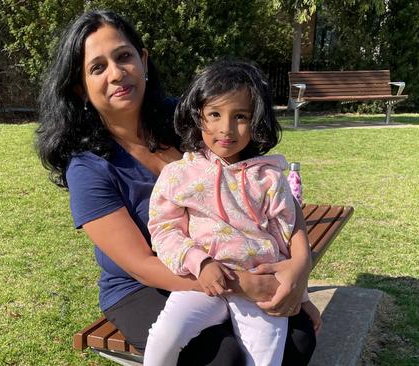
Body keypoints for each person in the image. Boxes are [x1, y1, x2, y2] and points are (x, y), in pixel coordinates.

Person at [36, 10, 317, 365]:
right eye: (97, 67)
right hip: (142, 286)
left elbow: (267, 185)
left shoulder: (192, 119)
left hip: (227, 260)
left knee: (300, 337)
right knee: (222, 357)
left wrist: (300, 266)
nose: (117, 73)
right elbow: (140, 264)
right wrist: (242, 284)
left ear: (144, 59)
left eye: (124, 56)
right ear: (81, 88)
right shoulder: (88, 166)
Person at [144, 61, 321, 366]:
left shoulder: (268, 178)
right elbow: (164, 229)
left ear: (257, 122)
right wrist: (199, 262)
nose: (226, 128)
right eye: (214, 114)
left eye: (240, 116)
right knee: (165, 335)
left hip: (260, 288)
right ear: (198, 115)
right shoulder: (178, 174)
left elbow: (285, 237)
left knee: (267, 360)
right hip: (203, 284)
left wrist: (301, 296)